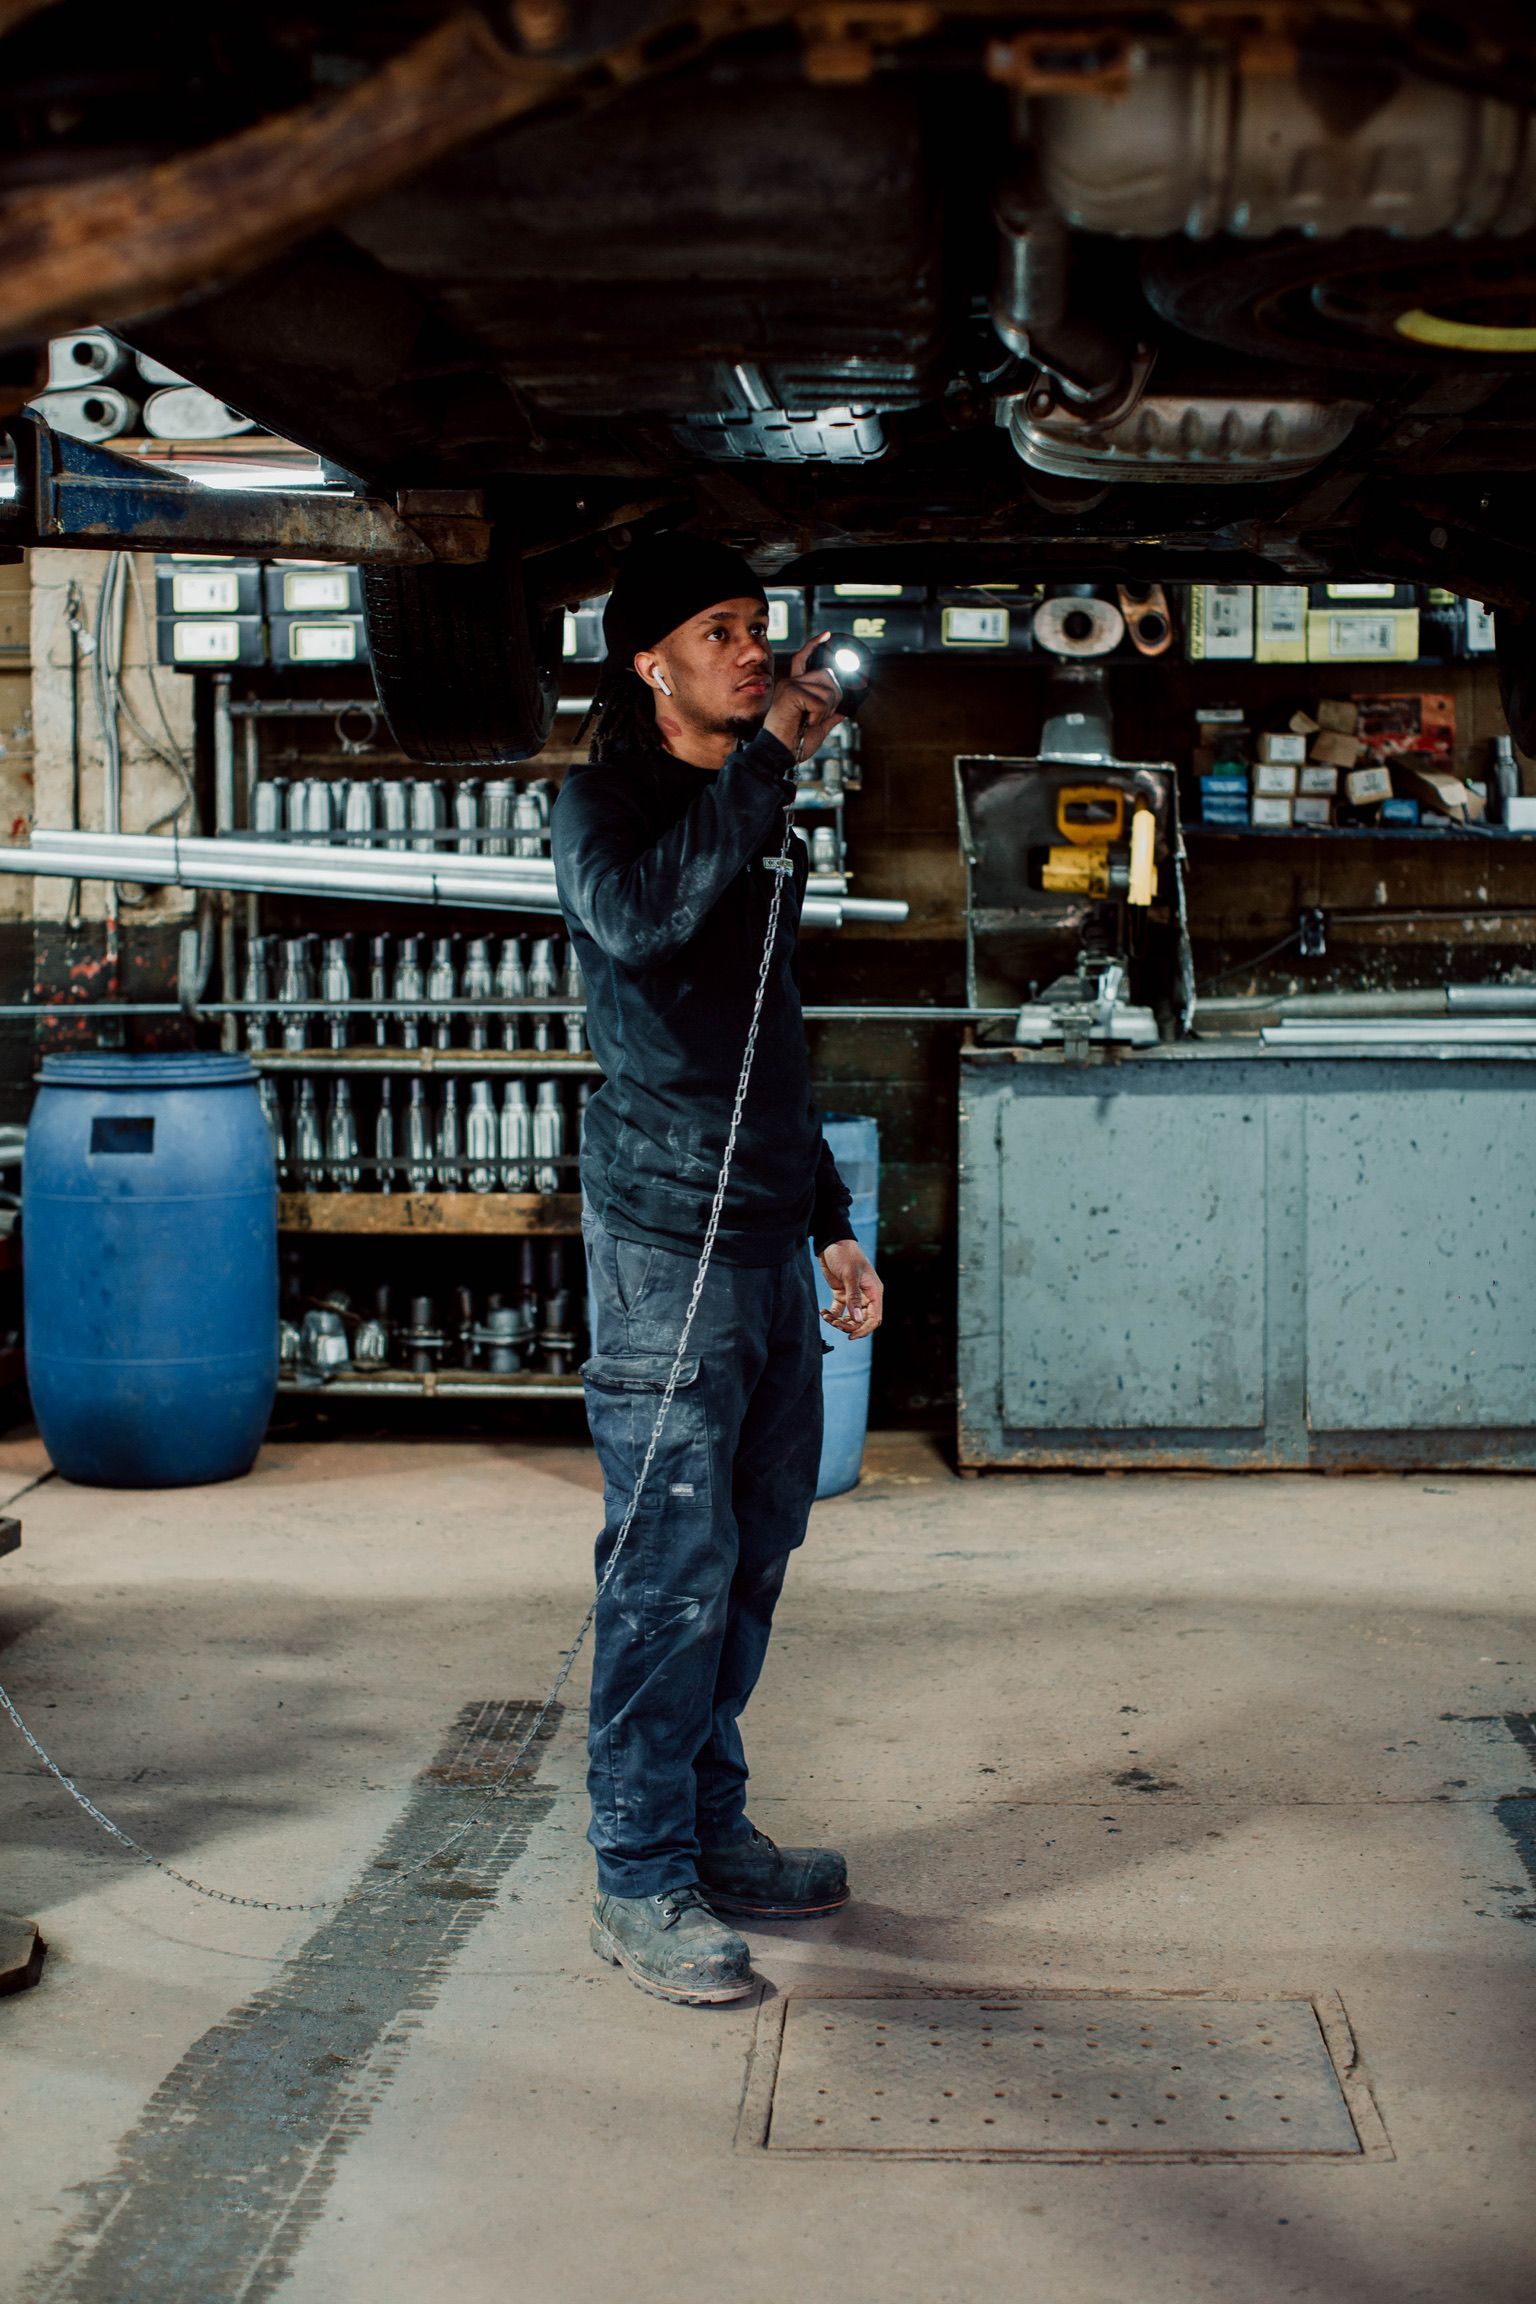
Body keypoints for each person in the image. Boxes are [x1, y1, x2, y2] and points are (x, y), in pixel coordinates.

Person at [552, 533, 884, 2005]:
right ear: (649, 662)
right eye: (718, 630)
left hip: (760, 1231)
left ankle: (708, 1828)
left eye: (760, 628)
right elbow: (639, 925)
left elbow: (772, 1022)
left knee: (753, 1554)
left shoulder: (758, 809)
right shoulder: (605, 802)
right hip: (662, 1239)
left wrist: (828, 1215)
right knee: (667, 1573)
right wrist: (768, 777)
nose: (755, 651)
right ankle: (638, 1877)